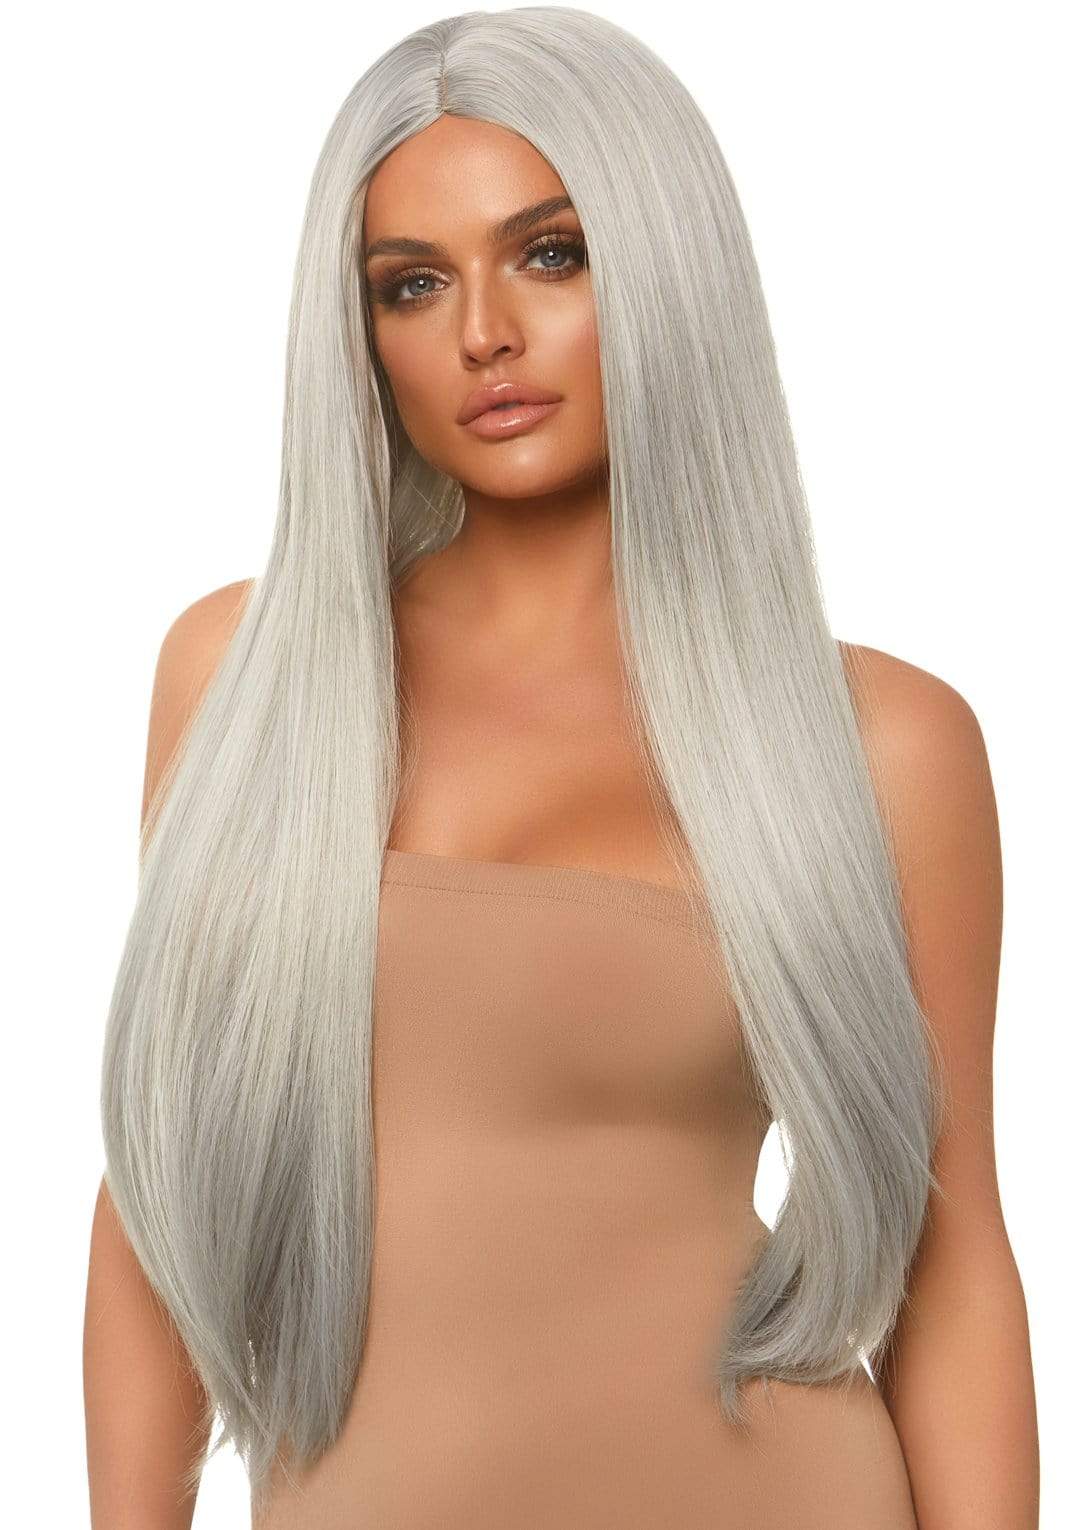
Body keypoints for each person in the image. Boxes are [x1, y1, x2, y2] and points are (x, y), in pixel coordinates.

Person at [84, 9, 1039, 1529]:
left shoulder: (880, 741)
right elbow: (155, 1184)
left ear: (665, 269)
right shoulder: (246, 681)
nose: (483, 333)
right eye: (411, 283)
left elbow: (951, 1249)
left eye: (551, 254)